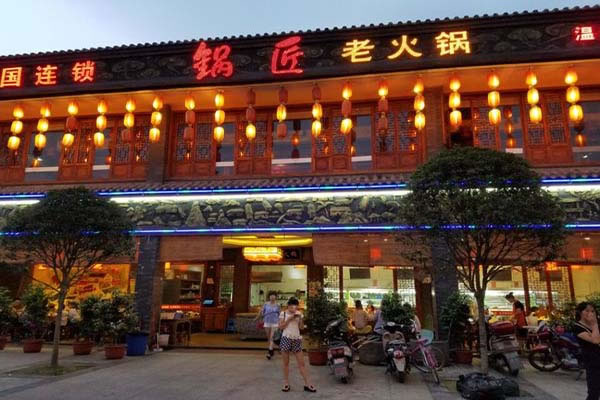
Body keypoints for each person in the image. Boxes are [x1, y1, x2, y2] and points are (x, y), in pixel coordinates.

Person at [279, 297, 315, 393]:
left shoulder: (299, 313)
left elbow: (301, 328)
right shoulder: (283, 313)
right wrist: (289, 319)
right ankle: (286, 383)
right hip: (286, 338)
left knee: (302, 363)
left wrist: (301, 319)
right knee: (286, 363)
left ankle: (307, 384)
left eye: (295, 306)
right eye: (291, 306)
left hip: (296, 339)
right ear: (288, 306)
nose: (293, 308)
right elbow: (281, 327)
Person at [573, 302, 600, 400]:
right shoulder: (577, 327)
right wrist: (594, 324)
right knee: (594, 392)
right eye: (587, 311)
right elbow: (595, 340)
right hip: (593, 361)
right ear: (580, 312)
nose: (590, 313)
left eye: (592, 311)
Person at [258, 291, 280, 360]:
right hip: (267, 322)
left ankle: (269, 352)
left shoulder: (278, 305)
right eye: (271, 296)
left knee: (272, 337)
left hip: (275, 322)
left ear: (275, 297)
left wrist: (280, 322)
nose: (272, 297)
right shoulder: (265, 304)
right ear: (269, 297)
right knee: (268, 337)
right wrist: (258, 317)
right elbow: (261, 311)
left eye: (273, 296)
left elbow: (280, 314)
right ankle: (271, 350)